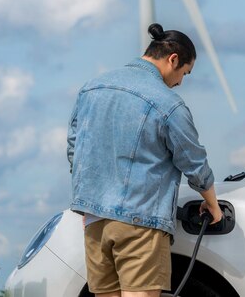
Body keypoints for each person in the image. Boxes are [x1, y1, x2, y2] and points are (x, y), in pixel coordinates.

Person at [66, 23, 223, 297]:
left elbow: (74, 149)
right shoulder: (167, 102)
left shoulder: (91, 89)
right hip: (140, 222)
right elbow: (193, 161)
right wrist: (213, 206)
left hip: (93, 220)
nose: (180, 82)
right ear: (173, 59)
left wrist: (90, 203)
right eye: (184, 73)